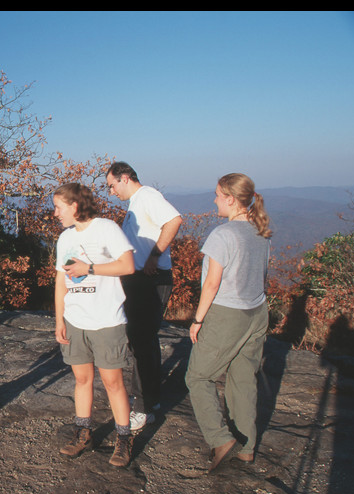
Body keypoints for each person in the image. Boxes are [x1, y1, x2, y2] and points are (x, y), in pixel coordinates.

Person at [184, 173, 272, 472]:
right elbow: (262, 276)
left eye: (218, 195)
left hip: (227, 313)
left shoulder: (223, 235)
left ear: (231, 199)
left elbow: (211, 284)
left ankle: (220, 439)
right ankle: (246, 448)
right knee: (243, 379)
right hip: (257, 310)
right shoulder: (260, 231)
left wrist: (197, 320)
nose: (214, 200)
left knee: (197, 377)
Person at [53, 183, 136, 467]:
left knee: (113, 383)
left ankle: (123, 440)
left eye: (58, 207)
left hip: (107, 320)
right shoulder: (65, 238)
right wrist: (59, 320)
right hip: (76, 321)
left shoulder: (106, 228)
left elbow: (128, 265)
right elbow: (60, 281)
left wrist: (88, 268)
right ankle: (83, 434)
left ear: (74, 205)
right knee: (82, 380)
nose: (55, 213)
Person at [105, 162, 182, 430]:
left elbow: (174, 220)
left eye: (112, 185)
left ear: (125, 178)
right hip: (139, 279)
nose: (111, 191)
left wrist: (154, 256)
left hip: (150, 279)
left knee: (142, 342)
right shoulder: (135, 203)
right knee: (141, 341)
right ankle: (151, 400)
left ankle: (144, 408)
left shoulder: (147, 196)